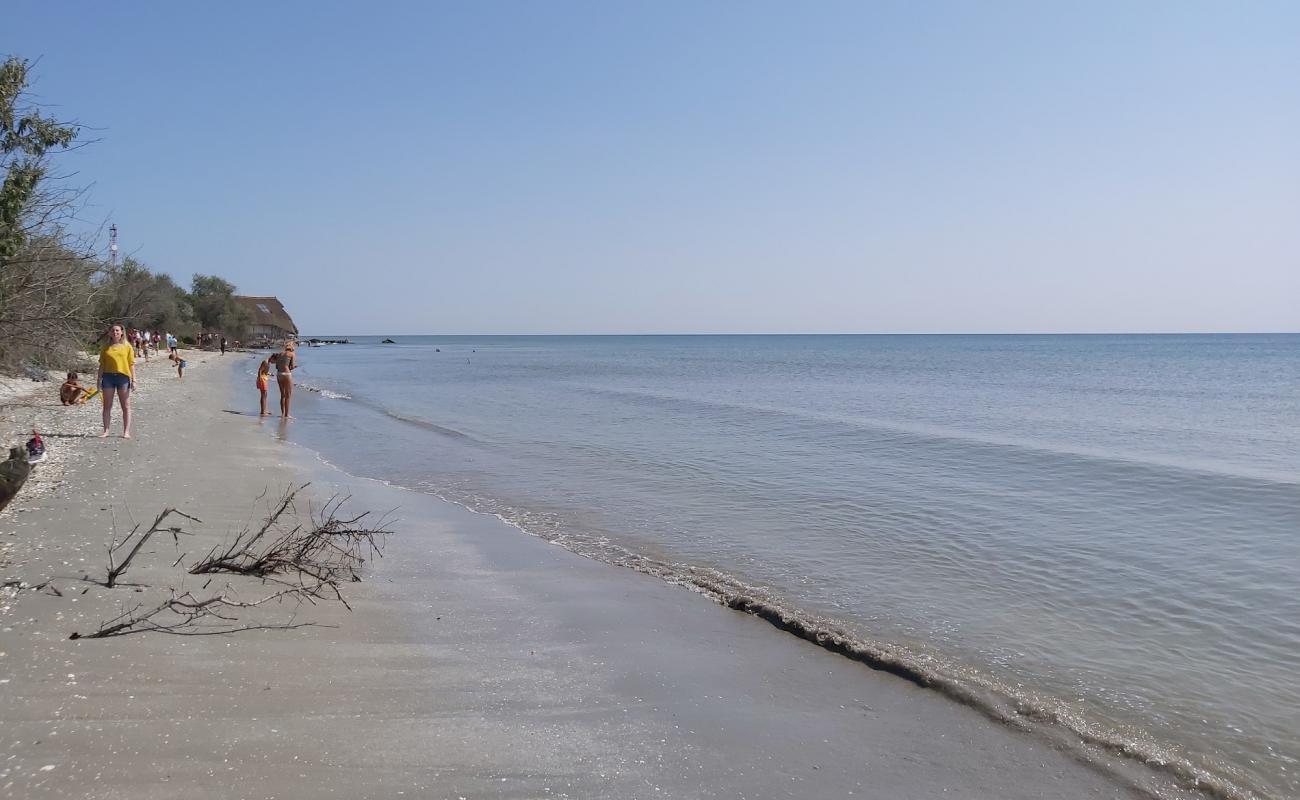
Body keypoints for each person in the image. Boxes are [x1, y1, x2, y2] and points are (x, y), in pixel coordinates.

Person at [97, 323, 136, 438]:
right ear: (110, 333)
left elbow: (131, 364)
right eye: (113, 330)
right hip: (108, 377)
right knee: (107, 405)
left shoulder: (127, 346)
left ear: (122, 332)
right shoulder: (106, 347)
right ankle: (106, 431)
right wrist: (98, 379)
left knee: (125, 406)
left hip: (123, 377)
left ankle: (126, 431)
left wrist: (134, 380)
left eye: (117, 331)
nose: (115, 333)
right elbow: (102, 364)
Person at [273, 342, 296, 418]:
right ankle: (287, 414)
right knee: (288, 395)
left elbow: (276, 366)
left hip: (279, 374)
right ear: (292, 348)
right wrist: (294, 367)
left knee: (282, 395)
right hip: (286, 374)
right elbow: (291, 367)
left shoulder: (280, 354)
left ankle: (282, 414)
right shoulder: (292, 354)